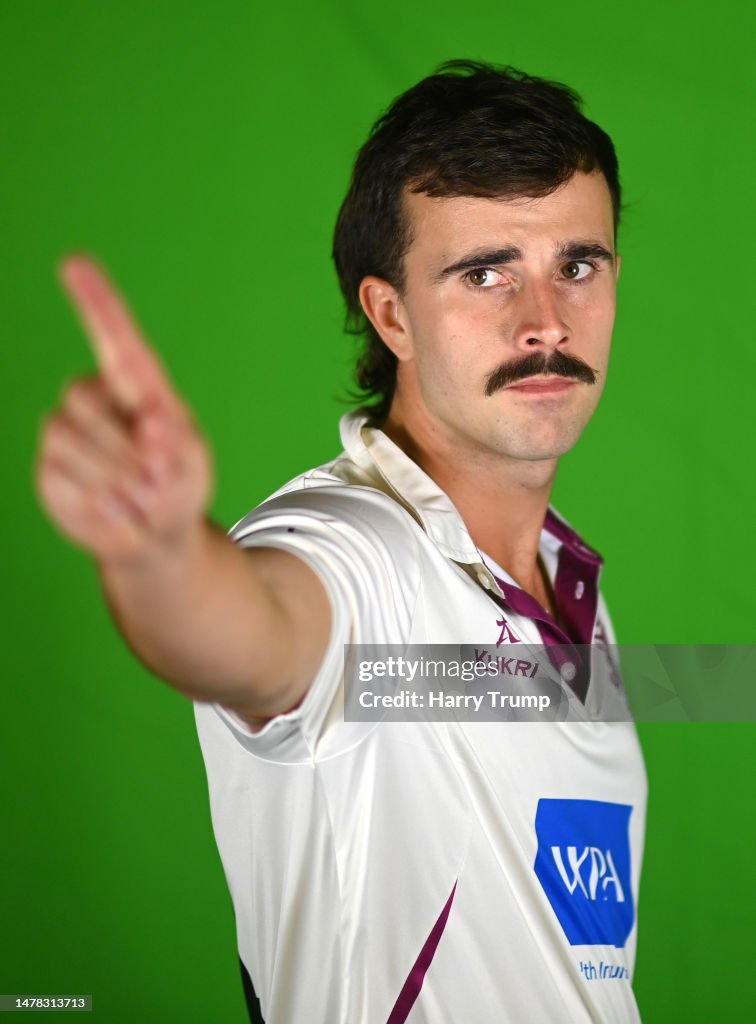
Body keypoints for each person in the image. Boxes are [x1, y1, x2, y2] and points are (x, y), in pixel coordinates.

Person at [36, 60, 647, 1024]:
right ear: (391, 314)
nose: (545, 324)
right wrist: (156, 551)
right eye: (484, 273)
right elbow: (254, 632)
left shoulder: (569, 579)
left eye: (578, 265)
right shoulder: (354, 553)